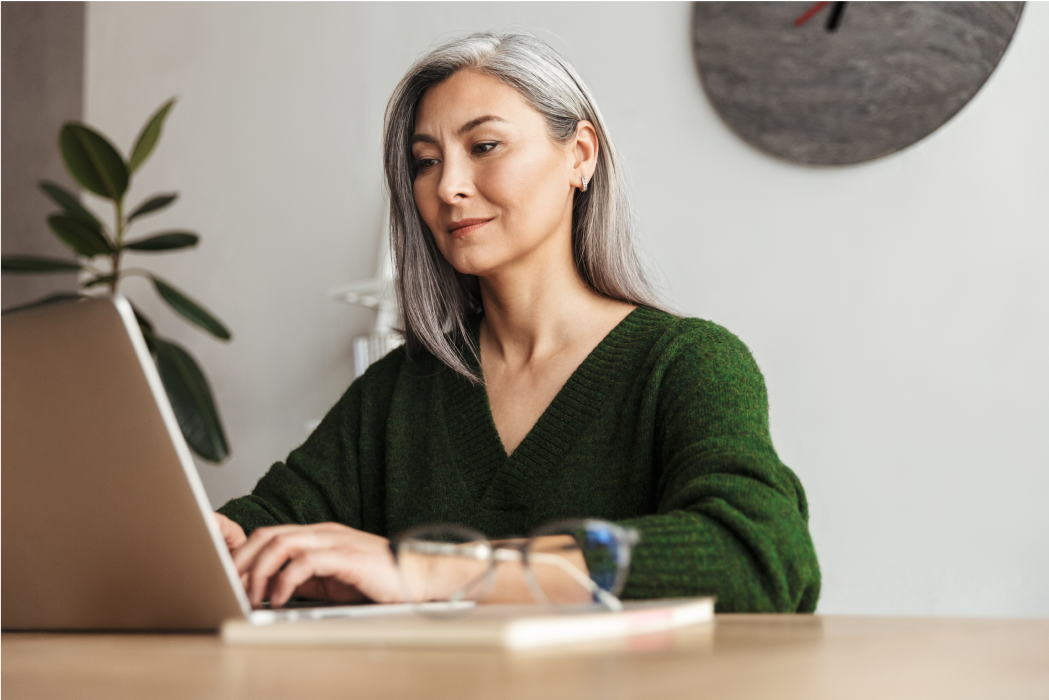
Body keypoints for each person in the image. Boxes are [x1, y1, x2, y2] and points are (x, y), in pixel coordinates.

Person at [214, 32, 821, 613]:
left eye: (484, 147)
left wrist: (429, 571)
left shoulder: (686, 364)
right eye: (425, 162)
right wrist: (212, 540)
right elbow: (266, 529)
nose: (448, 186)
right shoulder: (399, 391)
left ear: (579, 156)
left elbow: (758, 555)